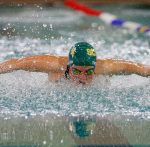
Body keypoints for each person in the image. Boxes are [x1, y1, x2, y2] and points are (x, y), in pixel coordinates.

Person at [0, 42, 150, 84]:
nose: (83, 77)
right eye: (77, 71)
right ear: (69, 66)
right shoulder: (52, 64)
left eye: (89, 71)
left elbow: (142, 69)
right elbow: (16, 63)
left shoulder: (106, 67)